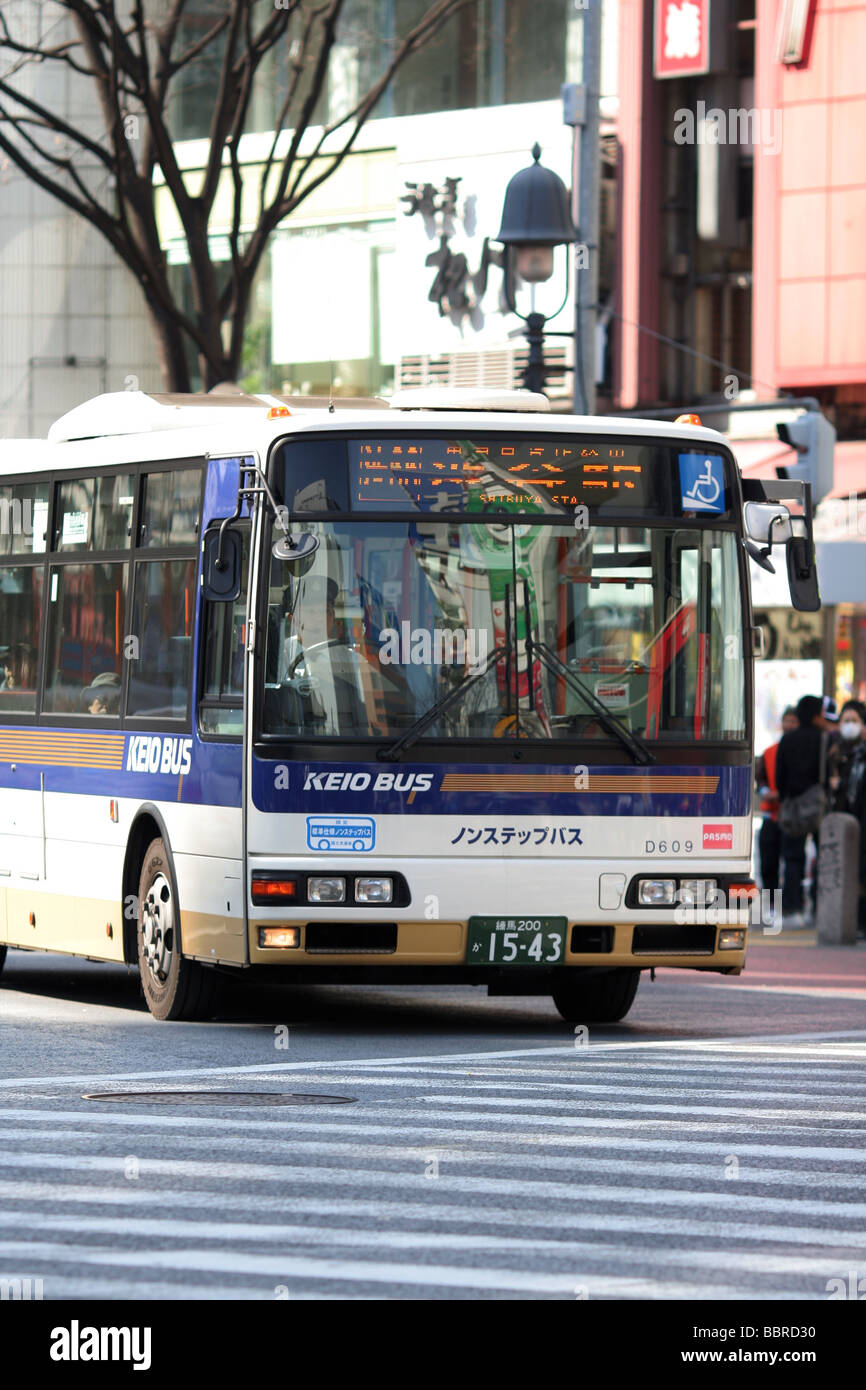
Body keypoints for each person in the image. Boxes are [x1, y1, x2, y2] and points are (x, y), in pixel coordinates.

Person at [776, 694, 838, 927]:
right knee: (824, 856)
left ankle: (793, 909)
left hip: (793, 804)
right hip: (819, 805)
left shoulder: (787, 740)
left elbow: (780, 777)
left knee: (792, 858)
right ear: (815, 715)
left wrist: (787, 798)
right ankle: (819, 907)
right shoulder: (825, 739)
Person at [755, 706, 798, 910]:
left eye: (793, 721)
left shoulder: (801, 753)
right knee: (768, 862)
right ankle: (772, 904)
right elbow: (760, 778)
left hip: (791, 815)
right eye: (786, 720)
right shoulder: (769, 751)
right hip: (770, 814)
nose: (789, 725)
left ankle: (790, 906)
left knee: (791, 863)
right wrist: (765, 793)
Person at [828, 699, 866, 812]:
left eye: (854, 721)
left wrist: (841, 783)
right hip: (838, 811)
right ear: (839, 724)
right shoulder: (833, 750)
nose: (850, 725)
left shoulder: (863, 752)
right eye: (846, 721)